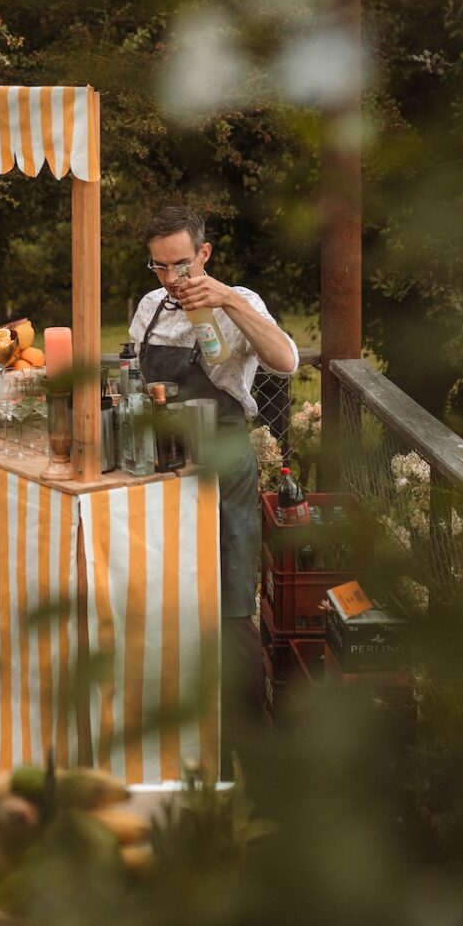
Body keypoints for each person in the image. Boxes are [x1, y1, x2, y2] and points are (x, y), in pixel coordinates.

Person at [130, 205, 300, 728]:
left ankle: (247, 741)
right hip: (160, 463)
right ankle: (174, 726)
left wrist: (224, 297)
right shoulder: (150, 306)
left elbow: (286, 361)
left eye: (181, 265)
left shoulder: (240, 302)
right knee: (163, 596)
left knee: (228, 602)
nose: (172, 278)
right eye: (160, 266)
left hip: (223, 464)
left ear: (203, 254)